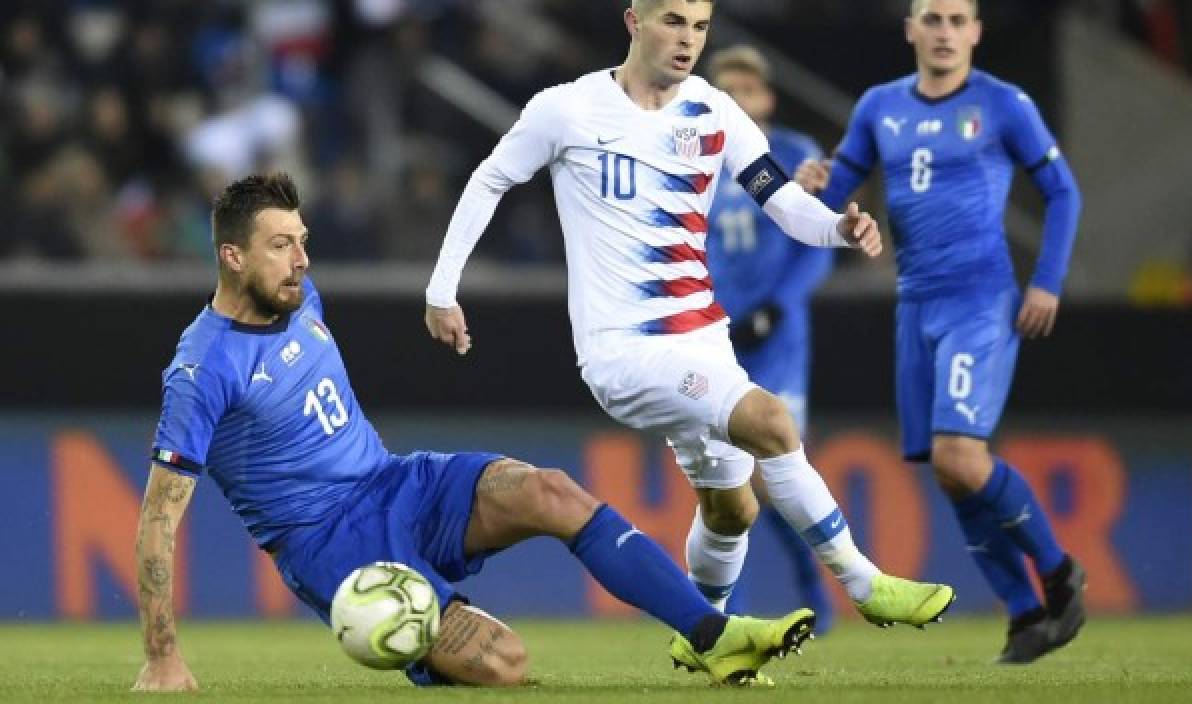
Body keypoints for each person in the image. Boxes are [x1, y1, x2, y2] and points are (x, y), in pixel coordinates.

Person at [424, 0, 954, 674]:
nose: (687, 39)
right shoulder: (568, 108)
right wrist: (441, 290)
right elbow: (490, 180)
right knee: (772, 421)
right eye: (673, 21)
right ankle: (867, 583)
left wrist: (839, 228)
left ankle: (698, 638)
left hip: (703, 341)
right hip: (623, 352)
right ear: (634, 22)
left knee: (734, 510)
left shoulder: (712, 109)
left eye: (700, 26)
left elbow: (778, 197)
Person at [131, 173, 817, 693]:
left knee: (548, 490)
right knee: (505, 664)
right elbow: (159, 518)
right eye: (281, 247)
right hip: (329, 544)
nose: (302, 261)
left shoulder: (301, 294)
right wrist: (162, 654)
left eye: (303, 242)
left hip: (395, 482)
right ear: (231, 257)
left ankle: (710, 634)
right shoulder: (201, 371)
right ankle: (428, 646)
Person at [804, 0, 1086, 664]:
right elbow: (835, 199)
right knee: (947, 467)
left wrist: (1045, 283)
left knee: (962, 456)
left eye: (958, 20)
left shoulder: (1002, 104)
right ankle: (1023, 614)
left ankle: (1057, 571)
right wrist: (812, 184)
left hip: (980, 300)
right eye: (932, 19)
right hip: (915, 303)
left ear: (975, 32)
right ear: (911, 29)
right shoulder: (879, 108)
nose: (944, 32)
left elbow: (1062, 192)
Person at [703, 45, 834, 632]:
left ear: (768, 97)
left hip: (778, 340)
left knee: (774, 474)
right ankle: (737, 610)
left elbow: (815, 242)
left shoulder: (794, 156)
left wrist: (778, 308)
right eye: (726, 90)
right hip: (714, 336)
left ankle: (812, 588)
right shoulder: (695, 154)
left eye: (748, 90)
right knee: (727, 480)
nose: (739, 101)